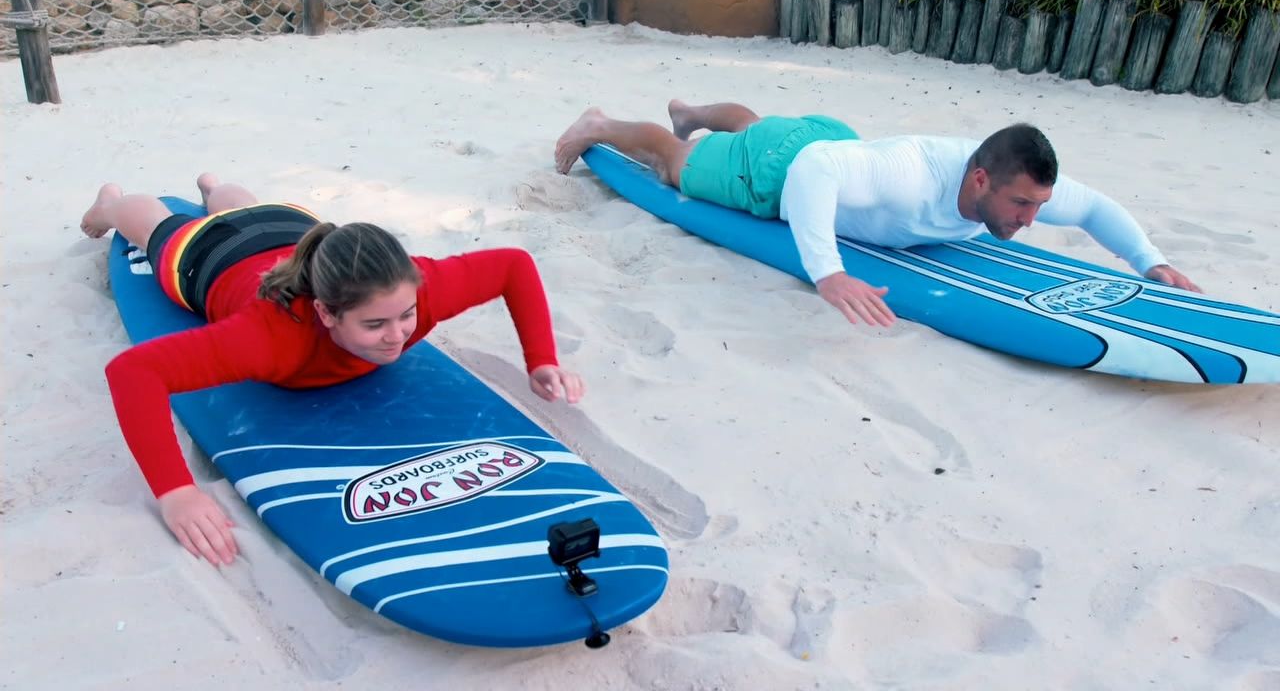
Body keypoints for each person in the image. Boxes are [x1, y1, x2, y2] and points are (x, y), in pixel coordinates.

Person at [83, 173, 585, 566]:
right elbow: (133, 373)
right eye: (374, 324)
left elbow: (513, 264)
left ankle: (215, 188)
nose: (398, 335)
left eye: (405, 315)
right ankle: (112, 202)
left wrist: (541, 359)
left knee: (245, 205)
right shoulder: (269, 337)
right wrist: (176, 492)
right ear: (325, 314)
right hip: (211, 254)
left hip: (293, 225)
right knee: (156, 225)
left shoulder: (421, 287)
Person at [554, 100, 1200, 327]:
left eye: (1038, 206)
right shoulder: (913, 174)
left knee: (762, 127)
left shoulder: (1008, 179)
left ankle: (695, 110)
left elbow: (1096, 208)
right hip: (787, 170)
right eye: (1022, 204)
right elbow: (811, 173)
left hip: (833, 140)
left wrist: (1152, 261)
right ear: (981, 179)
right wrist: (827, 271)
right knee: (677, 165)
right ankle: (604, 123)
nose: (1031, 218)